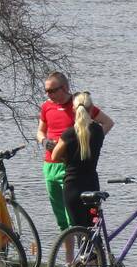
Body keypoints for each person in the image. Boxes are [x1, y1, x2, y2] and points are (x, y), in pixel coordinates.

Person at [37, 72, 113, 232]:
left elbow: (107, 122)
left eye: (52, 90)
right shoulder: (46, 106)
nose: (48, 94)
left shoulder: (80, 105)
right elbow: (39, 132)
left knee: (75, 219)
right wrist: (44, 142)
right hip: (50, 164)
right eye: (46, 91)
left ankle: (84, 254)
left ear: (64, 88)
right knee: (61, 220)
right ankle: (69, 256)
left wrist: (89, 142)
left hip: (70, 166)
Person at [51, 91, 104, 228]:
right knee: (93, 229)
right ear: (91, 109)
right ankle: (97, 250)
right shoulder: (98, 131)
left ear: (74, 110)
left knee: (79, 230)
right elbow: (107, 124)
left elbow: (54, 157)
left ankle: (81, 249)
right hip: (91, 186)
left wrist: (67, 158)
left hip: (72, 187)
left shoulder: (68, 134)